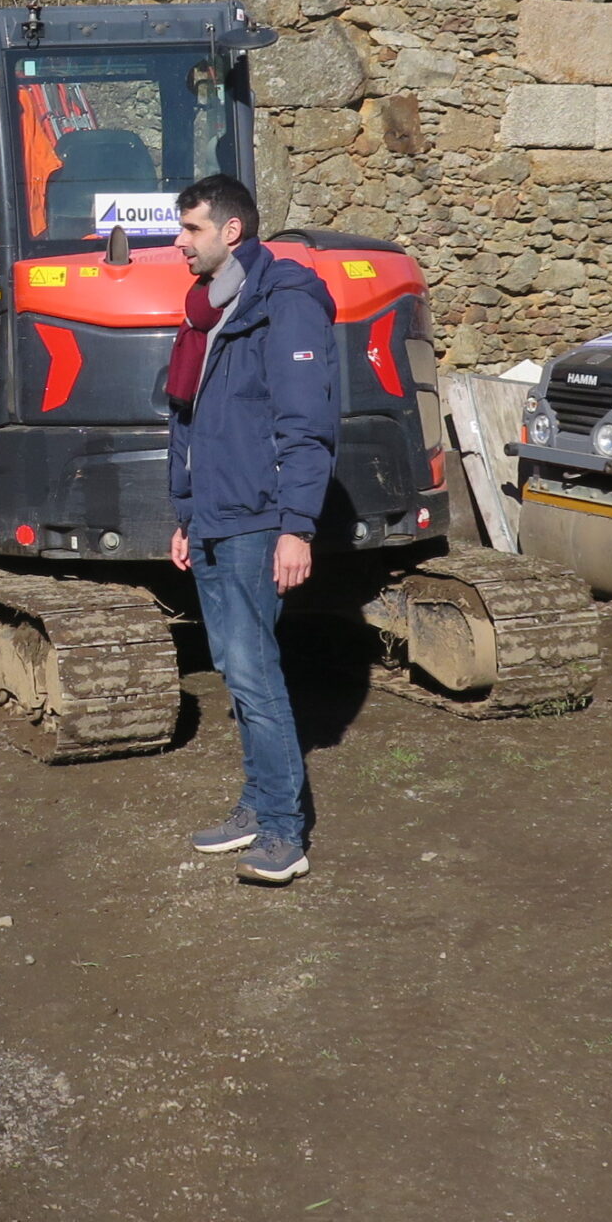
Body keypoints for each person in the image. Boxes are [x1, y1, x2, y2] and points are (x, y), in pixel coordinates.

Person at [165, 174, 339, 887]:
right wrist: (186, 513)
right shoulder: (207, 311)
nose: (179, 243)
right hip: (213, 516)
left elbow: (306, 425)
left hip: (258, 522)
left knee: (254, 673)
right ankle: (259, 802)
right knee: (237, 672)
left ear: (232, 231)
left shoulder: (284, 307)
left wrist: (296, 527)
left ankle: (282, 833)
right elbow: (192, 423)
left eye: (192, 230)